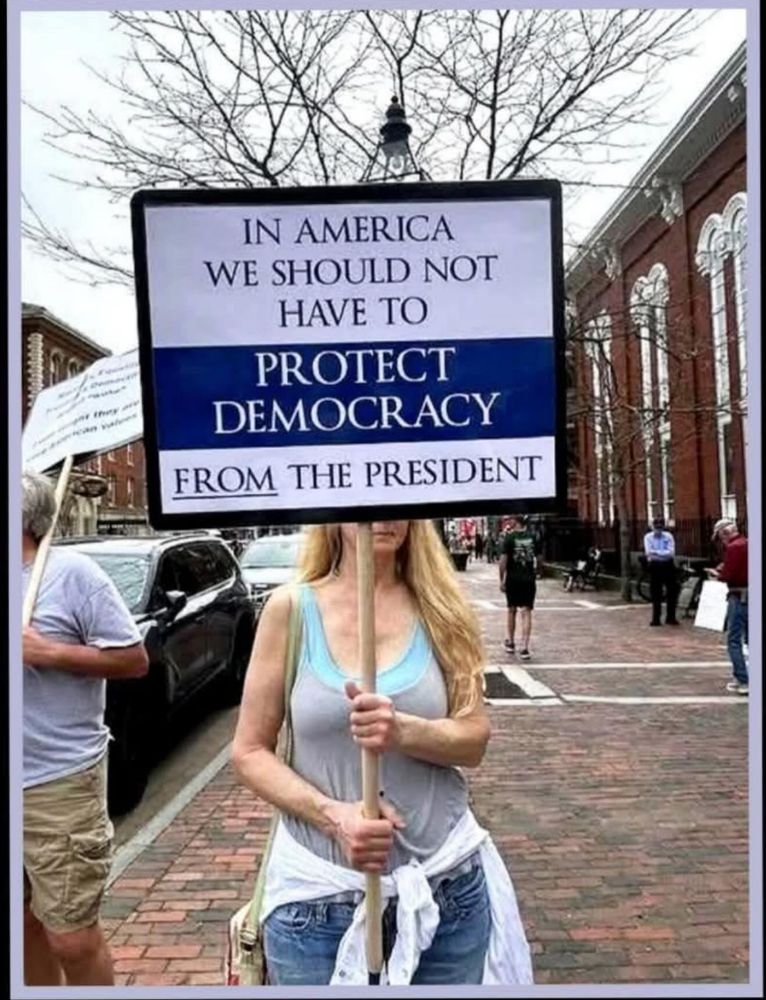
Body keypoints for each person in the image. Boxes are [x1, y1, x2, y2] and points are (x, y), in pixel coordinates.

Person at [231, 520, 533, 986]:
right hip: (317, 905)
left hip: (446, 893)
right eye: (366, 506)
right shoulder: (290, 610)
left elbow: (474, 740)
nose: (385, 516)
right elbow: (249, 751)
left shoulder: (443, 610)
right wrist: (333, 816)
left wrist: (404, 731)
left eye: (400, 505)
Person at [22, 471, 149, 986]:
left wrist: (47, 652)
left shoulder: (71, 574)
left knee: (70, 937)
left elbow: (133, 659)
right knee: (22, 927)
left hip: (58, 784)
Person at [707, 519, 748, 696]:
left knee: (734, 639)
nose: (720, 542)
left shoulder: (733, 547)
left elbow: (728, 576)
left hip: (739, 595)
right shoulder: (747, 543)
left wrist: (717, 573)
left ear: (724, 533)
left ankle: (743, 679)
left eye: (719, 538)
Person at [499, 515, 538, 661]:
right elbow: (539, 557)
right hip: (528, 579)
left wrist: (501, 579)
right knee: (526, 611)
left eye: (510, 519)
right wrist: (538, 572)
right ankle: (524, 647)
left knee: (511, 609)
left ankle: (510, 641)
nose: (508, 521)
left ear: (516, 521)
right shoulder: (533, 537)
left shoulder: (509, 538)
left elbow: (503, 561)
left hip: (513, 579)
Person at [643, 516, 679, 626]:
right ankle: (656, 619)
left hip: (668, 565)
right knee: (655, 593)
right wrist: (663, 553)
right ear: (652, 526)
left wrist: (656, 553)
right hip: (655, 566)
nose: (658, 530)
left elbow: (671, 553)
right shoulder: (648, 537)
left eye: (660, 527)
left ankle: (671, 617)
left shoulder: (668, 536)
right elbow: (649, 553)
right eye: (656, 527)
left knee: (672, 591)